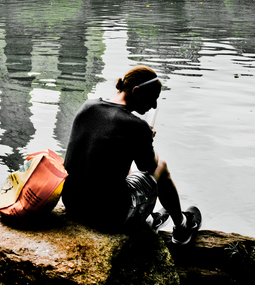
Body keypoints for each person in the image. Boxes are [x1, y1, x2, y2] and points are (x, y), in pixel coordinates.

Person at [61, 66, 201, 244]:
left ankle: (150, 219)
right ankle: (181, 228)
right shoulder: (137, 126)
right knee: (162, 167)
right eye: (153, 98)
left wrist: (139, 139)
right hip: (108, 217)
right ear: (136, 92)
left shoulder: (88, 106)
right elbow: (149, 166)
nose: (154, 105)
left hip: (73, 203)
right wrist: (147, 139)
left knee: (114, 163)